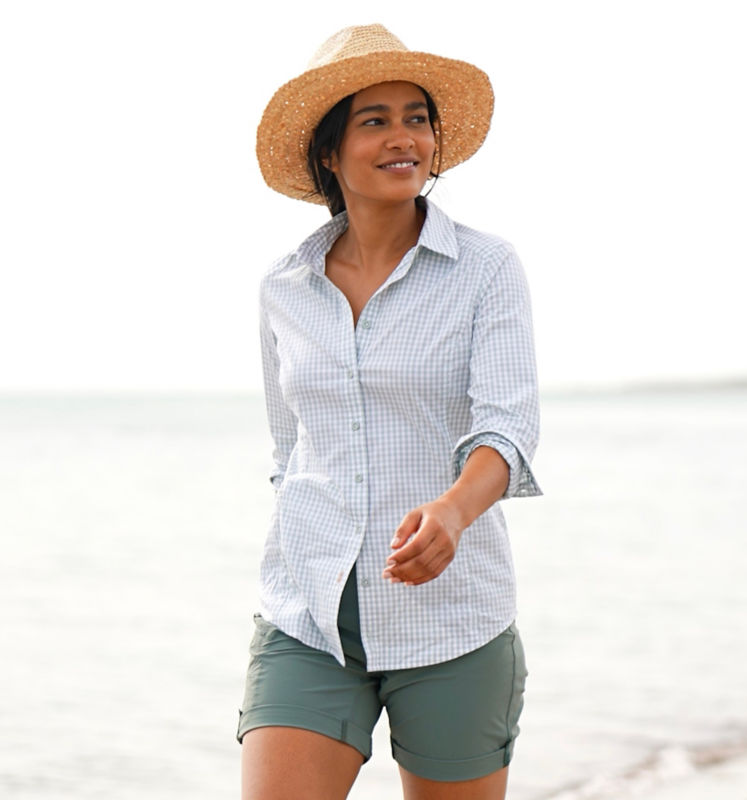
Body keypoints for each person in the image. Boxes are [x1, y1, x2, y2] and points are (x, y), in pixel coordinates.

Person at [239, 24, 542, 800]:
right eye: (374, 120)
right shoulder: (283, 287)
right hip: (308, 615)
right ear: (330, 155)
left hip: (450, 619)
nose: (403, 136)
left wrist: (451, 510)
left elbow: (506, 426)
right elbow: (288, 448)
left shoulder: (486, 269)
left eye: (417, 117)